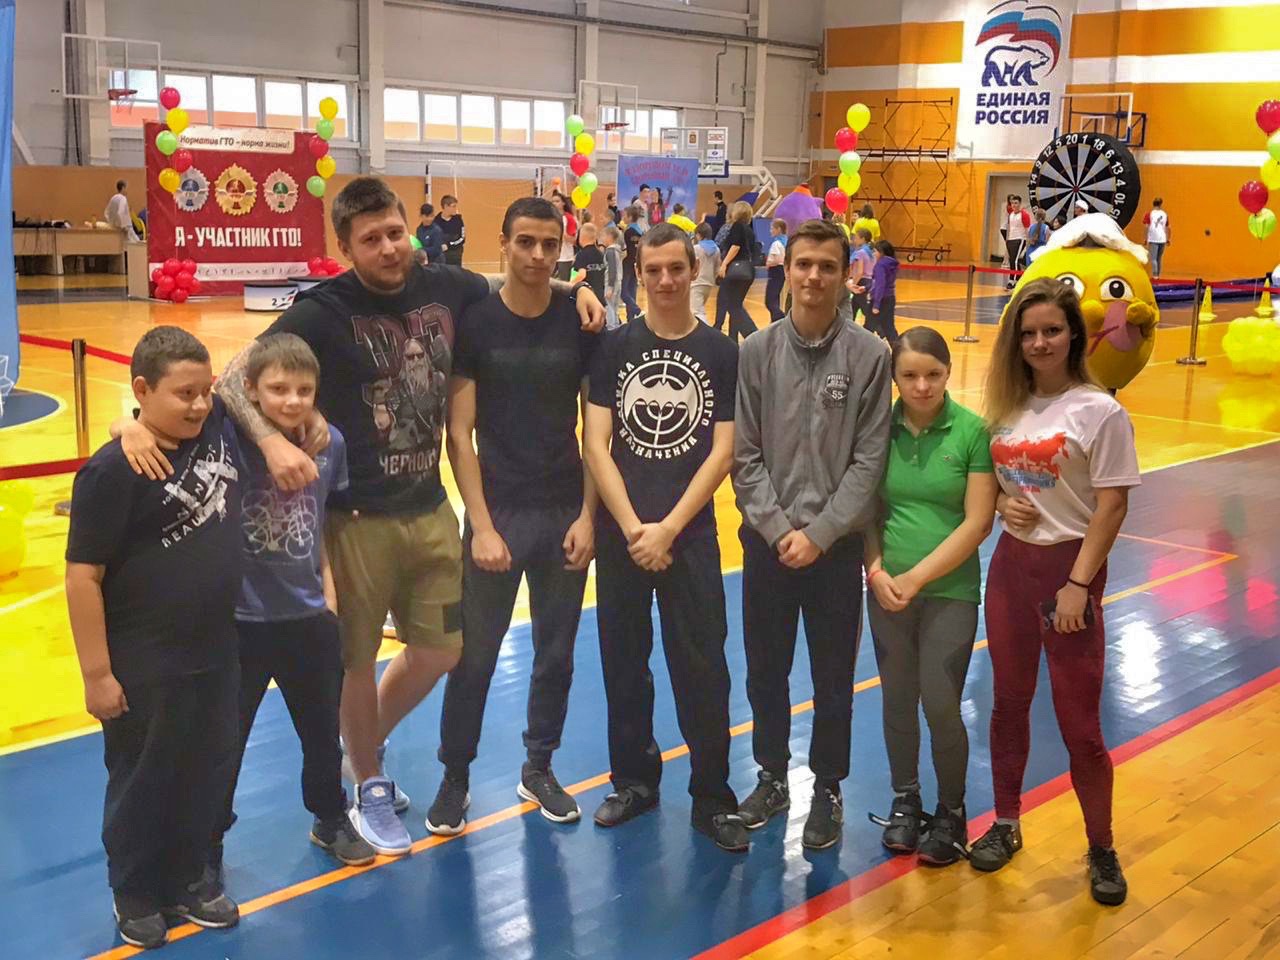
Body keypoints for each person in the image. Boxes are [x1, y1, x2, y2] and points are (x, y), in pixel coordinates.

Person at [213, 177, 603, 858]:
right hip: (354, 515)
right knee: (356, 661)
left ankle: (358, 745)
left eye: (395, 232)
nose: (389, 247)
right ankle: (368, 780)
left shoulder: (447, 285)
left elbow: (520, 278)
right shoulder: (321, 310)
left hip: (428, 505)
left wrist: (578, 290)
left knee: (442, 651)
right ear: (346, 247)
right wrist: (272, 440)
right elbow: (231, 380)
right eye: (371, 239)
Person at [66, 327, 243, 950]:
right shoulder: (111, 472)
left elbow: (264, 356)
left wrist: (131, 420)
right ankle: (136, 889)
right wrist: (97, 674)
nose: (199, 404)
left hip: (217, 649)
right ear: (142, 390)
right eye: (183, 394)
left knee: (207, 768)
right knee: (144, 775)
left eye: (205, 391)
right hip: (146, 660)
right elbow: (83, 577)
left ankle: (189, 877)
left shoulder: (215, 426)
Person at [428, 197, 598, 835]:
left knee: (557, 654)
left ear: (561, 250)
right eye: (525, 242)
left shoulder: (579, 322)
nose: (537, 255)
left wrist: (589, 516)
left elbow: (596, 432)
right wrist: (482, 525)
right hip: (497, 513)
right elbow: (459, 432)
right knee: (474, 656)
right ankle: (455, 775)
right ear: (503, 243)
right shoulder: (477, 323)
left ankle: (539, 767)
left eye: (550, 244)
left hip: (563, 513)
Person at [970, 277, 1139, 907]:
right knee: (1007, 704)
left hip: (1070, 575)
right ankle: (1006, 822)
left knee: (1080, 725)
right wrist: (1004, 504)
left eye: (1052, 330)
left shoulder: (1100, 411)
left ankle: (1102, 846)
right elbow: (1000, 481)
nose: (1040, 342)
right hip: (1011, 571)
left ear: (1073, 334)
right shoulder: (1006, 410)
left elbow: (1112, 505)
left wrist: (1078, 585)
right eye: (1029, 333)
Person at [583, 223, 746, 852]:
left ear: (693, 270)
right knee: (623, 664)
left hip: (691, 536)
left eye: (676, 268)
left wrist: (670, 527)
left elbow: (724, 449)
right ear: (639, 273)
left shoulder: (721, 352)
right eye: (653, 270)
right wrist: (632, 529)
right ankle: (634, 782)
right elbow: (596, 443)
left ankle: (712, 796)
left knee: (703, 668)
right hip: (623, 537)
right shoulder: (613, 347)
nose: (666, 280)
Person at [733, 218, 893, 850]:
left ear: (846, 274)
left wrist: (821, 534)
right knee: (764, 672)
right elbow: (744, 455)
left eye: (828, 266)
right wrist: (778, 530)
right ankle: (772, 777)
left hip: (835, 550)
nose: (814, 276)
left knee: (832, 679)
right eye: (804, 264)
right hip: (766, 545)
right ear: (787, 269)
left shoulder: (870, 356)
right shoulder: (756, 351)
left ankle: (827, 787)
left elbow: (869, 461)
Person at [211, 335, 374, 870]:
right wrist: (131, 427)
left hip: (307, 618)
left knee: (322, 734)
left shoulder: (332, 444)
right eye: (278, 389)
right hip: (240, 622)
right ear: (252, 391)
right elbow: (206, 395)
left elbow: (326, 520)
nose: (292, 400)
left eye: (304, 390)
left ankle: (329, 817)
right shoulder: (229, 438)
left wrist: (330, 598)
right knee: (225, 741)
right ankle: (207, 840)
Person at [863, 327, 996, 865]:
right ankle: (906, 800)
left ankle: (951, 810)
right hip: (886, 591)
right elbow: (867, 511)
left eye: (933, 375)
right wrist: (875, 569)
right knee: (896, 699)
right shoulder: (877, 429)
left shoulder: (972, 432)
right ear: (894, 378)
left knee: (940, 703)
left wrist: (915, 577)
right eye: (910, 375)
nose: (922, 386)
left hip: (949, 592)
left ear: (948, 373)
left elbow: (978, 522)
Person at [715, 201, 759, 341]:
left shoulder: (737, 226)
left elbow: (735, 246)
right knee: (736, 304)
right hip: (748, 271)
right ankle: (733, 338)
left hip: (736, 269)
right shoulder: (750, 230)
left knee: (730, 303)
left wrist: (724, 264)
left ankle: (753, 335)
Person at [869, 239, 901, 343]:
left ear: (881, 252)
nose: (874, 254)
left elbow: (880, 284)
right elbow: (884, 282)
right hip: (890, 298)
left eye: (875, 251)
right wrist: (866, 288)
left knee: (868, 327)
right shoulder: (892, 263)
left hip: (881, 300)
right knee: (889, 328)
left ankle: (859, 351)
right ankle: (899, 349)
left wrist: (876, 304)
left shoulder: (881, 265)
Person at [691, 221, 721, 325]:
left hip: (696, 283)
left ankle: (706, 331)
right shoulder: (716, 249)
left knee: (697, 312)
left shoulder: (696, 249)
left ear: (699, 235)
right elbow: (717, 268)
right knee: (697, 309)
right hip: (708, 283)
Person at [571, 222, 607, 301]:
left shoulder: (582, 254)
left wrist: (570, 285)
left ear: (581, 237)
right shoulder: (600, 254)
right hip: (600, 295)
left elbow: (581, 275)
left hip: (587, 296)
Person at [848, 226, 875, 326]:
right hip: (869, 281)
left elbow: (859, 272)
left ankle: (881, 330)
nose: (854, 240)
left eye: (856, 237)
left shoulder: (860, 253)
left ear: (863, 239)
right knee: (853, 308)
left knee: (865, 309)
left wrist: (852, 284)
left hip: (861, 281)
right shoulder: (871, 252)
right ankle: (849, 328)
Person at [622, 205, 645, 322]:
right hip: (637, 263)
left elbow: (624, 249)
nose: (623, 217)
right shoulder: (641, 232)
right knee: (631, 291)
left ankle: (637, 311)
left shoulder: (628, 232)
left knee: (623, 292)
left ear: (630, 217)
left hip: (627, 264)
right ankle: (631, 320)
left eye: (624, 215)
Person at [764, 219, 787, 323]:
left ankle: (782, 319)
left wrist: (769, 263)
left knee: (770, 300)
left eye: (772, 228)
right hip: (782, 271)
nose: (770, 231)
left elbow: (776, 259)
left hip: (775, 271)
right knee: (775, 299)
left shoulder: (776, 243)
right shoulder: (786, 241)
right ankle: (775, 323)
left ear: (779, 229)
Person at [1005, 195, 1032, 287]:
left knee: (1015, 260)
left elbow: (1027, 229)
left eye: (1016, 203)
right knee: (1011, 260)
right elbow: (1009, 228)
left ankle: (1013, 281)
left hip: (1020, 239)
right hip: (1011, 239)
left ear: (1020, 204)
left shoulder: (1024, 215)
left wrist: (1028, 242)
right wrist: (1007, 239)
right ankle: (1018, 277)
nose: (1014, 205)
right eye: (1012, 203)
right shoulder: (1011, 215)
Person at [602, 224, 624, 330]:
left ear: (610, 237)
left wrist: (610, 287)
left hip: (611, 283)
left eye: (604, 236)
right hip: (618, 282)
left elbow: (612, 269)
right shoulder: (617, 250)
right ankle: (616, 328)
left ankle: (611, 329)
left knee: (609, 306)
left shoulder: (610, 251)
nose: (603, 239)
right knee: (614, 308)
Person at [551, 193, 577, 281]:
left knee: (564, 283)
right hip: (551, 255)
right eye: (553, 201)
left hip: (565, 257)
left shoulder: (569, 218)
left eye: (557, 201)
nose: (555, 203)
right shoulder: (550, 218)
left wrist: (562, 234)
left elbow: (573, 240)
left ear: (563, 203)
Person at [1143, 198, 1169, 278]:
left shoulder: (1149, 214)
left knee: (1153, 258)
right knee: (1159, 258)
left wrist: (1145, 238)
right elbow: (1168, 227)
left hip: (1153, 238)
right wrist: (1168, 238)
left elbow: (1146, 226)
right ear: (1161, 204)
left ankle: (1155, 275)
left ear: (1153, 204)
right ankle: (1158, 275)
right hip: (1162, 238)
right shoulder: (1164, 215)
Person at [437, 195, 466, 267]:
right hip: (441, 256)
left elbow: (462, 238)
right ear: (446, 206)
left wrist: (449, 245)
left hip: (456, 255)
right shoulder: (436, 221)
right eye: (453, 206)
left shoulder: (458, 220)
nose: (455, 209)